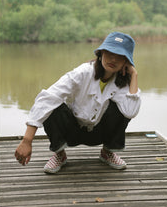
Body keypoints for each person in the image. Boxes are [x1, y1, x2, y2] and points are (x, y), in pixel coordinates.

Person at [15, 31, 141, 173]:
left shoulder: (122, 82)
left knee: (123, 106)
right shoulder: (83, 72)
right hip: (72, 130)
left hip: (99, 132)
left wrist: (134, 75)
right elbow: (46, 99)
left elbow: (130, 112)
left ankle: (108, 152)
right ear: (101, 54)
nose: (113, 59)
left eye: (120, 56)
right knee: (52, 104)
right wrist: (27, 140)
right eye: (110, 52)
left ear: (126, 61)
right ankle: (60, 155)